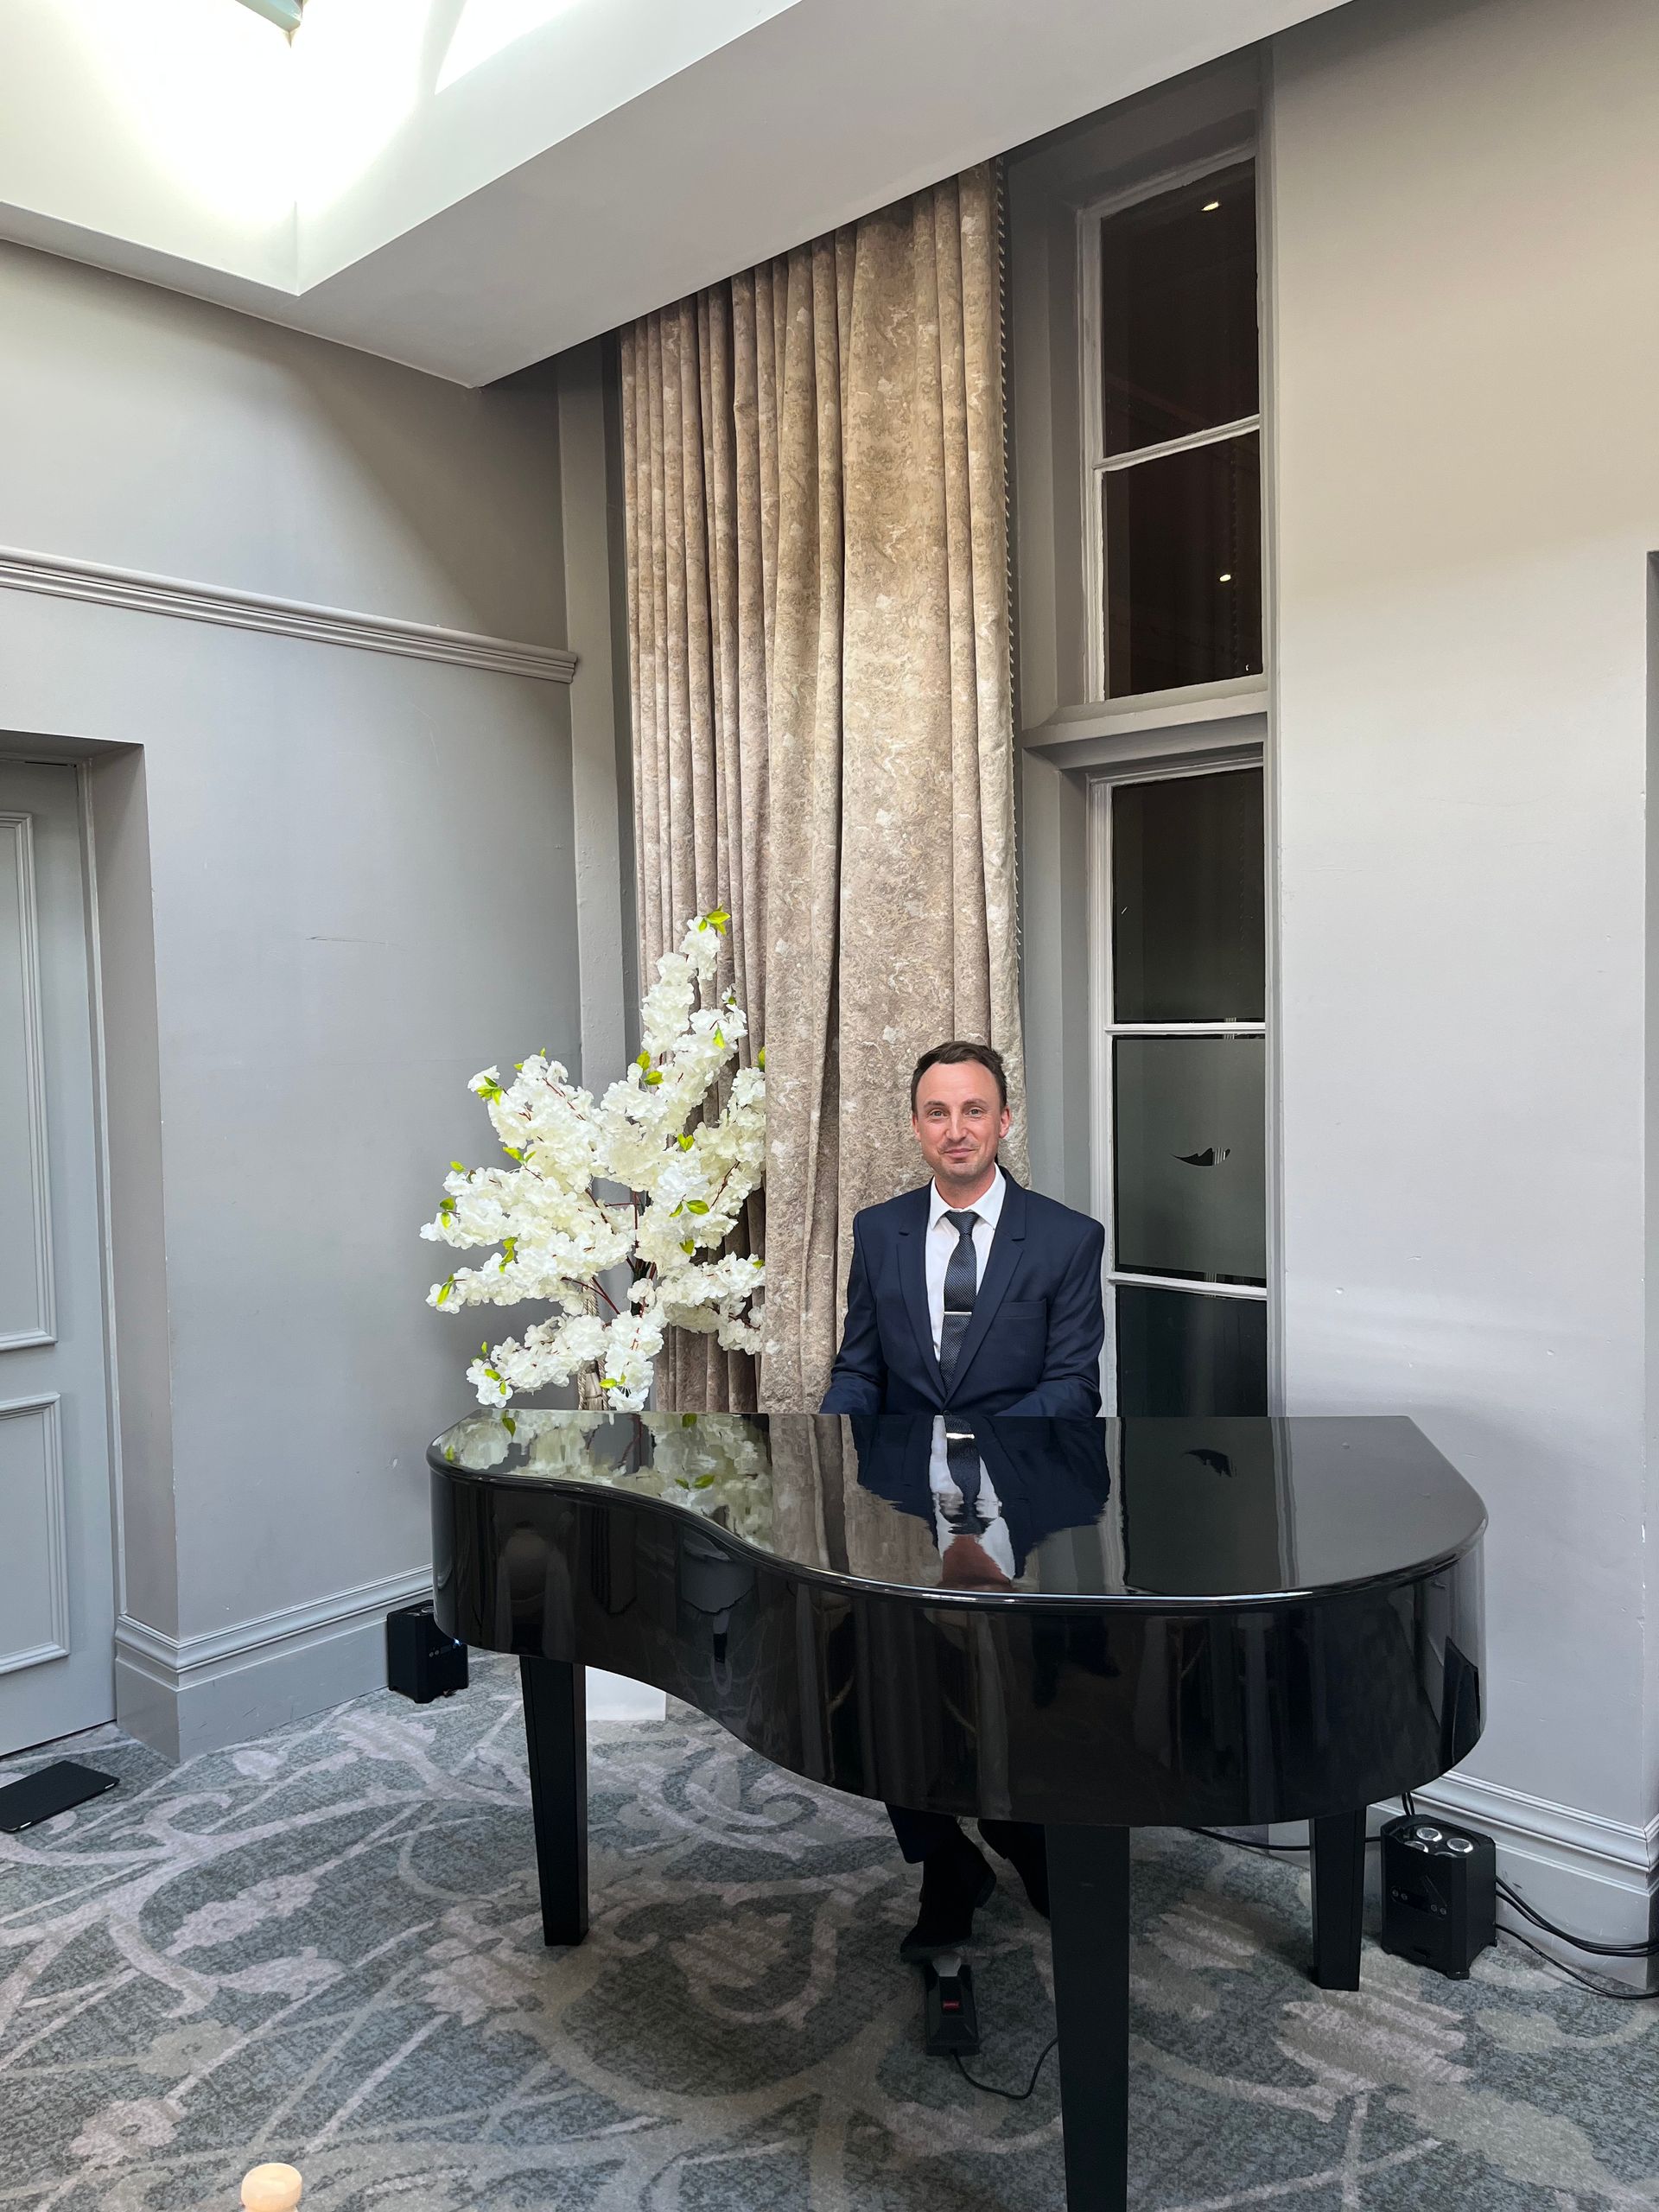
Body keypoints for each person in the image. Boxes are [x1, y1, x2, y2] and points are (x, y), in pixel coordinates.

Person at [820, 1039, 1106, 1957]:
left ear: (1003, 1121)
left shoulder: (1065, 1237)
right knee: (881, 1694)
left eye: (973, 1110)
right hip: (900, 1507)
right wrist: (822, 1456)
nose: (956, 1129)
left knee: (1010, 1697)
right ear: (915, 1126)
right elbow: (859, 1365)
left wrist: (966, 1462)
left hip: (1023, 1507)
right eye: (937, 1112)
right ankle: (947, 1856)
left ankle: (1022, 1832)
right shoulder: (880, 1230)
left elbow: (1072, 1388)